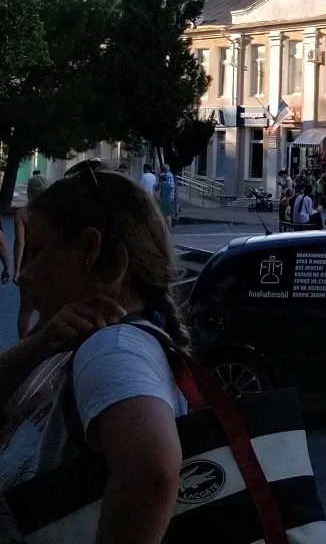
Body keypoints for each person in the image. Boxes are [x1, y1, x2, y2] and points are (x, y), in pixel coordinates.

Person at [0, 167, 189, 543]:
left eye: (37, 252)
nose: (24, 274)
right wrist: (41, 341)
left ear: (89, 248)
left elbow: (152, 471)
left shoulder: (112, 348)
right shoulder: (78, 338)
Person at [13, 173, 51, 337]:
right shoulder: (52, 214)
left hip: (28, 264)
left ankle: (24, 345)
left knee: (26, 310)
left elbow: (19, 243)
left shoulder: (23, 214)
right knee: (47, 307)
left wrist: (16, 270)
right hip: (47, 263)